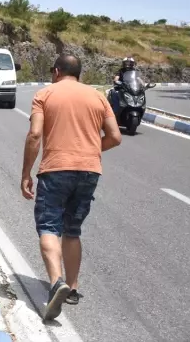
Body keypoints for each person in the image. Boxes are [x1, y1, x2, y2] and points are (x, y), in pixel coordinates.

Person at [20, 54, 122, 321]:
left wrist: (25, 174)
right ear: (79, 73)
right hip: (89, 171)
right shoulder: (98, 96)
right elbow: (115, 137)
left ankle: (57, 283)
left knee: (49, 226)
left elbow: (34, 134)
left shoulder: (45, 94)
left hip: (56, 169)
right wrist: (88, 151)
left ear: (56, 71)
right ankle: (73, 289)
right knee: (72, 230)